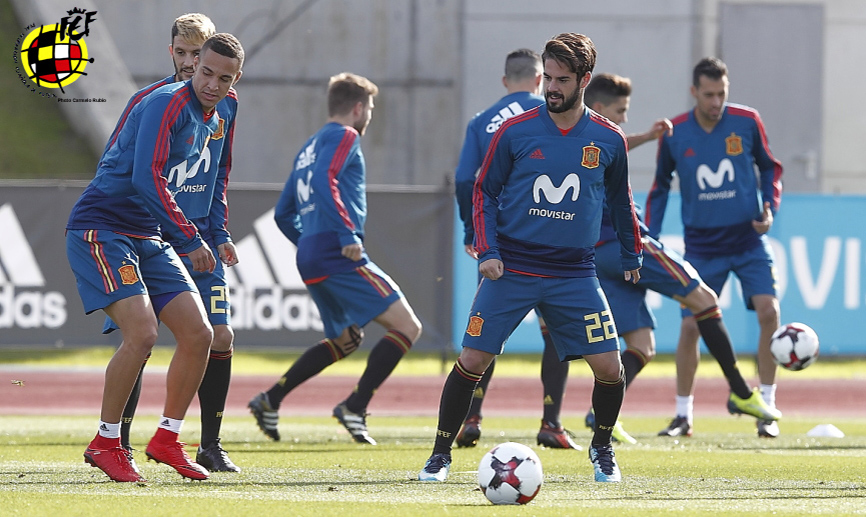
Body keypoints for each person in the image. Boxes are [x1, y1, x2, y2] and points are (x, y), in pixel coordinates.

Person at [419, 32, 643, 484]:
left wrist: (631, 250)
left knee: (610, 366)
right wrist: (489, 251)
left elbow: (621, 202)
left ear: (584, 79)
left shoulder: (608, 139)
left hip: (575, 271)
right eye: (549, 78)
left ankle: (602, 448)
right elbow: (484, 191)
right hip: (513, 267)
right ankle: (440, 455)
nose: (552, 88)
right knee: (473, 360)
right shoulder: (515, 131)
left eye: (563, 80)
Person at [65, 32, 244, 482]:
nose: (211, 84)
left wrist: (214, 230)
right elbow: (147, 176)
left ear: (235, 80)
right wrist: (191, 238)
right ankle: (106, 441)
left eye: (224, 78)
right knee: (142, 334)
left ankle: (167, 438)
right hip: (102, 227)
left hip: (148, 232)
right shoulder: (165, 101)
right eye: (205, 72)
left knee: (201, 334)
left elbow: (216, 174)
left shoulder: (223, 110)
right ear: (191, 64)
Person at [583, 73, 781, 440]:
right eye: (621, 110)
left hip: (596, 254)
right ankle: (741, 393)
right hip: (629, 245)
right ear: (599, 109)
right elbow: (618, 143)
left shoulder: (576, 143)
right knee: (704, 301)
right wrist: (649, 136)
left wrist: (645, 137)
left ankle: (600, 413)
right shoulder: (599, 136)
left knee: (641, 345)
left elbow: (616, 144)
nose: (625, 118)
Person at [248, 72, 423, 446]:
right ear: (358, 108)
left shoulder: (308, 146)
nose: (370, 115)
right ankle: (355, 406)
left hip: (313, 254)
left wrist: (308, 240)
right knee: (408, 327)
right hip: (336, 250)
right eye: (370, 108)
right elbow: (328, 178)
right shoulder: (346, 136)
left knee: (345, 340)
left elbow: (283, 214)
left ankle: (270, 399)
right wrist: (344, 235)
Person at [645, 57, 784, 438]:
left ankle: (766, 408)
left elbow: (770, 168)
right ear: (694, 92)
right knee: (690, 327)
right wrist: (649, 236)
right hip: (703, 246)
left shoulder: (747, 121)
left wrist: (769, 207)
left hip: (748, 239)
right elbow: (659, 187)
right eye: (709, 94)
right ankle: (683, 415)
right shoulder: (676, 133)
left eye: (722, 93)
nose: (716, 102)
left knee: (769, 313)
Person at [452, 48, 578, 451]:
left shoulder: (481, 122)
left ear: (505, 82)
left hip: (497, 243)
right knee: (556, 333)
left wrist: (474, 232)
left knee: (485, 337)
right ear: (541, 80)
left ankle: (470, 418)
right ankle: (550, 421)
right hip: (547, 239)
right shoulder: (550, 117)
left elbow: (463, 180)